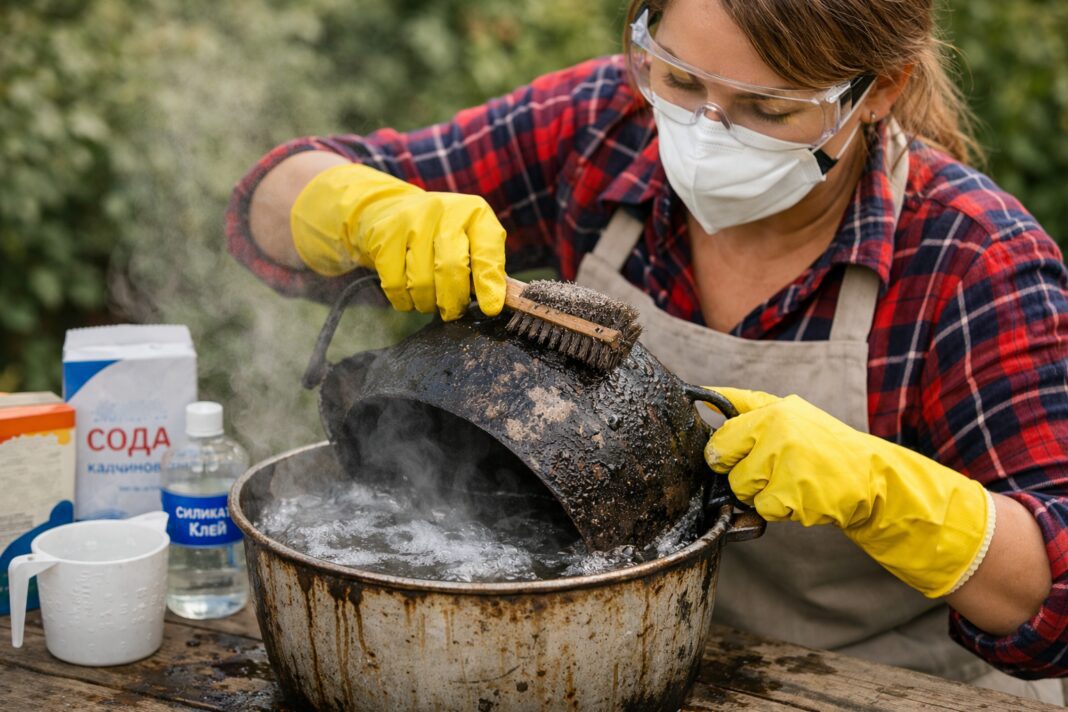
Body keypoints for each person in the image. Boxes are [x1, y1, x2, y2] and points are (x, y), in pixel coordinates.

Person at [226, 0, 1068, 701]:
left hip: (872, 688)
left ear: (879, 90)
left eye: (768, 109)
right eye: (681, 80)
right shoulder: (605, 128)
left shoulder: (974, 258)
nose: (707, 132)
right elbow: (272, 197)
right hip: (616, 664)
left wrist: (881, 493)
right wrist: (367, 211)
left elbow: (1052, 593)